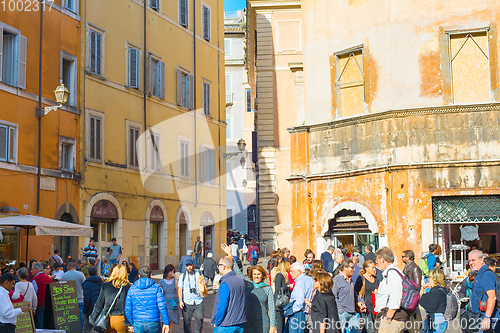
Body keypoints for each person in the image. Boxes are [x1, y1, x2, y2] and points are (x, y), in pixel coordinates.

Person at [222, 243, 276, 333]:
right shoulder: (248, 284)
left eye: (258, 274)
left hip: (263, 321)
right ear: (251, 275)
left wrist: (272, 326)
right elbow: (238, 272)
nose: (256, 276)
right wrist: (230, 255)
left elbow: (271, 308)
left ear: (262, 275)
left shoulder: (267, 288)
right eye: (254, 274)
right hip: (248, 321)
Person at [374, 247, 410, 333]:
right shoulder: (391, 272)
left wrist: (388, 317)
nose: (377, 263)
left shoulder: (392, 273)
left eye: (377, 261)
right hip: (391, 317)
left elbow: (395, 296)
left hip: (392, 318)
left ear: (382, 260)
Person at [125, 266, 169, 333]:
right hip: (153, 321)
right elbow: (162, 306)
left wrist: (132, 322)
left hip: (138, 321)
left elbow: (128, 309)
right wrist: (166, 322)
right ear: (150, 275)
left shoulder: (132, 289)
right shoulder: (156, 287)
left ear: (139, 276)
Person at [90, 264, 132, 333]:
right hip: (121, 318)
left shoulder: (106, 285)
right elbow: (129, 305)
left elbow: (99, 303)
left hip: (107, 319)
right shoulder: (127, 285)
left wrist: (93, 318)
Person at [211, 254, 247, 332]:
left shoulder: (225, 283)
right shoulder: (240, 280)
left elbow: (222, 306)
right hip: (240, 323)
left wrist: (216, 322)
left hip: (226, 325)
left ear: (223, 266)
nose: (218, 267)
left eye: (219, 265)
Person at [333, 258, 366, 333]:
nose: (354, 269)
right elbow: (334, 296)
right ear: (345, 268)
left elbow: (353, 293)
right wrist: (341, 310)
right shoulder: (336, 280)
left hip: (352, 312)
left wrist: (361, 301)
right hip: (342, 313)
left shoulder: (349, 279)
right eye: (352, 267)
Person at [468, 250, 497, 333]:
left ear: (482, 260)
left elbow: (492, 297)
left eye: (473, 260)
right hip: (477, 317)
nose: (471, 263)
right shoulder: (478, 273)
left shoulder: (486, 274)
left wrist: (487, 317)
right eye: (469, 261)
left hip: (483, 318)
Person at [177, 256, 205, 333]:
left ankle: (197, 331)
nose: (189, 267)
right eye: (187, 266)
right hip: (187, 302)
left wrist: (203, 284)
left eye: (190, 265)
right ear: (185, 266)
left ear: (193, 265)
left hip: (198, 301)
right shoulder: (182, 276)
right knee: (187, 322)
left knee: (200, 318)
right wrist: (180, 301)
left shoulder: (199, 274)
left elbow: (203, 283)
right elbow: (180, 289)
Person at [287, 262, 314, 333]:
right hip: (309, 312)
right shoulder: (309, 279)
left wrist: (292, 311)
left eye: (292, 271)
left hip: (300, 313)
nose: (290, 273)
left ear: (299, 272)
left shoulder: (300, 282)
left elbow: (300, 301)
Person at [419, 269, 448, 333]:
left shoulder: (435, 292)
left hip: (436, 322)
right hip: (442, 321)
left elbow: (421, 298)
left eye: (429, 277)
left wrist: (422, 288)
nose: (428, 279)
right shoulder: (443, 290)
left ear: (435, 279)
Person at [354, 260, 379, 333]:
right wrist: (359, 303)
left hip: (375, 307)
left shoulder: (376, 279)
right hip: (366, 307)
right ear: (366, 269)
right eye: (372, 268)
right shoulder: (361, 278)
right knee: (371, 330)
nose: (374, 270)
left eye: (374, 268)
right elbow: (355, 291)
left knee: (369, 328)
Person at [61, 260, 86, 328]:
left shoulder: (64, 276)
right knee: (81, 320)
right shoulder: (81, 274)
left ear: (68, 266)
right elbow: (84, 286)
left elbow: (61, 289)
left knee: (70, 321)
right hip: (80, 300)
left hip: (68, 302)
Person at [31, 262, 52, 328]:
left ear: (36, 269)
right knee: (46, 324)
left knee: (39, 324)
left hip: (39, 305)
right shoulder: (49, 278)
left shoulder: (35, 279)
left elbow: (34, 294)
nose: (31, 271)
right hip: (48, 304)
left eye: (32, 269)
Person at [159, 265, 179, 333]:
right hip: (165, 303)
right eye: (171, 271)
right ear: (167, 272)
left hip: (173, 304)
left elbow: (177, 287)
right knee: (164, 320)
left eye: (173, 271)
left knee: (172, 321)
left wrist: (176, 278)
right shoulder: (162, 281)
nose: (172, 273)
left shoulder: (175, 280)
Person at [83, 266, 103, 333]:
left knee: (87, 329)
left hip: (90, 311)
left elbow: (87, 300)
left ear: (88, 274)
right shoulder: (102, 282)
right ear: (97, 273)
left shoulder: (87, 284)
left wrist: (85, 311)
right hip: (100, 311)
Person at [273, 260, 291, 333]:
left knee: (282, 322)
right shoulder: (279, 275)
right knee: (280, 323)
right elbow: (278, 288)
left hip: (281, 302)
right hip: (279, 301)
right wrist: (288, 286)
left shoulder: (283, 275)